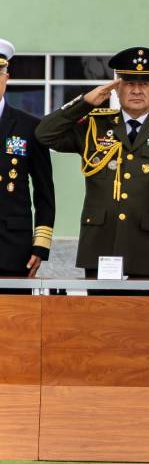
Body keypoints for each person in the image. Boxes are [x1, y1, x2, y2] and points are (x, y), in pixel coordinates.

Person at [35, 47, 149, 292]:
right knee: (101, 325)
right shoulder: (94, 125)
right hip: (101, 248)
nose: (137, 90)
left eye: (145, 83)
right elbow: (44, 134)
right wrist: (84, 103)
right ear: (117, 88)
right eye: (129, 83)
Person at [0, 39, 55, 293]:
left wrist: (40, 245)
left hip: (12, 248)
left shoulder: (29, 127)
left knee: (17, 326)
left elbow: (44, 192)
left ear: (6, 76)